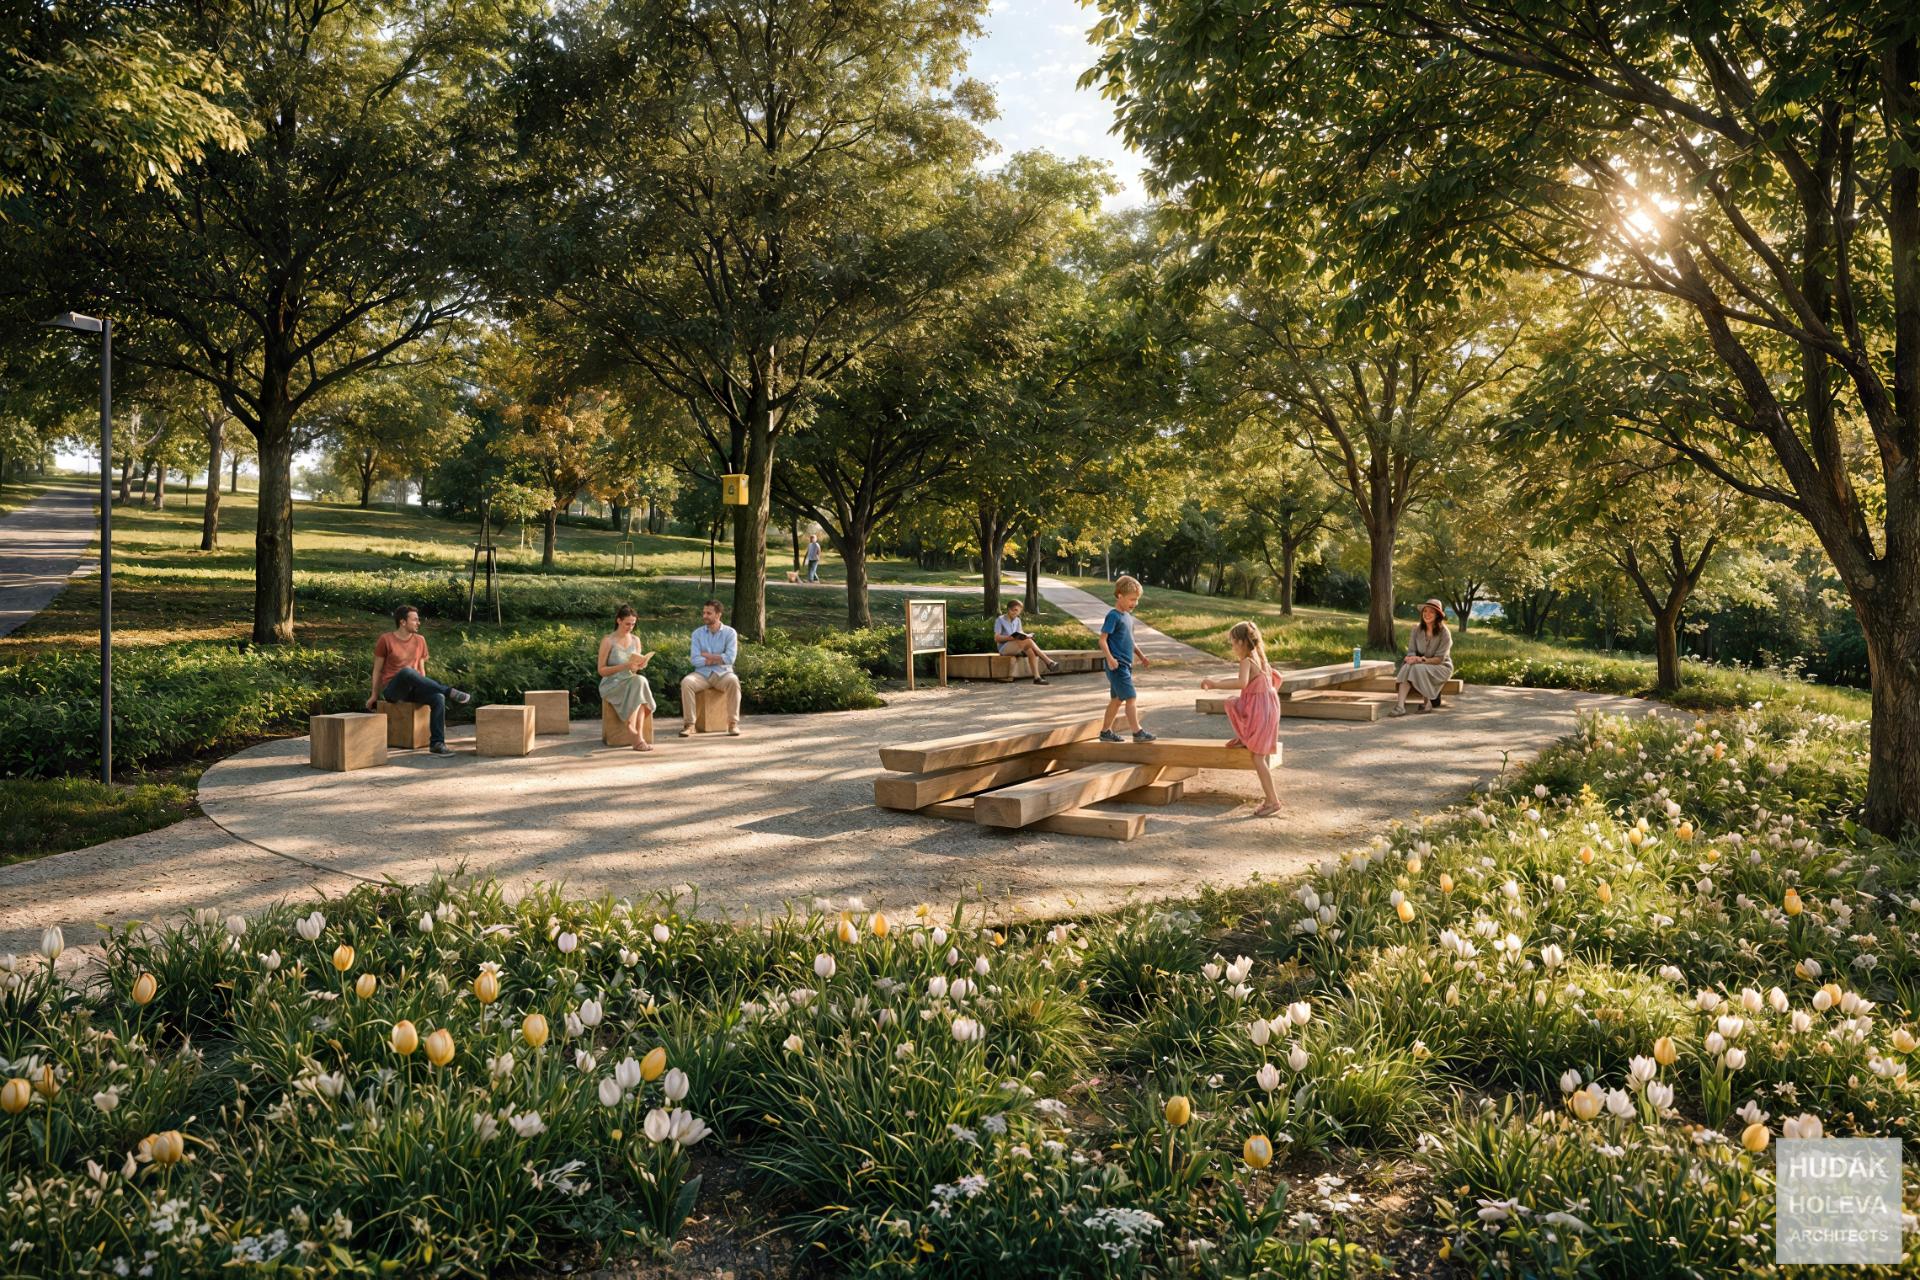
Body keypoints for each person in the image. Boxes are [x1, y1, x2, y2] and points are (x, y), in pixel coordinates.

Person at [365, 604, 471, 755]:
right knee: (407, 672)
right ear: (402, 622)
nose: (418, 623)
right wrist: (374, 695)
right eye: (414, 620)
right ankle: (449, 691)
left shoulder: (420, 640)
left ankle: (437, 743)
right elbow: (377, 670)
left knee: (438, 697)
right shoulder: (386, 640)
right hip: (394, 690)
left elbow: (421, 670)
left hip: (414, 689)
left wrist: (427, 688)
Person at [1201, 621, 1282, 817]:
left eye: (1232, 643)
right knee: (1235, 704)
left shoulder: (1247, 661)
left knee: (1257, 758)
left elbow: (1242, 682)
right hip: (1270, 708)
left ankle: (1273, 801)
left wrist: (1215, 684)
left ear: (1241, 642)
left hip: (1260, 711)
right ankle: (1246, 737)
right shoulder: (1262, 659)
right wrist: (1264, 697)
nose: (1232, 648)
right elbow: (1278, 678)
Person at [1097, 575, 1155, 743]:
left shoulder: (1128, 618)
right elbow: (1102, 640)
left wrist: (1141, 656)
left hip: (1126, 664)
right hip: (1117, 665)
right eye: (1132, 599)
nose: (1134, 603)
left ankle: (1105, 732)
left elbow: (1130, 641)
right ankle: (1137, 732)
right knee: (1131, 697)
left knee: (1116, 700)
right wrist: (1110, 659)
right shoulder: (1113, 616)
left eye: (1137, 600)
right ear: (1120, 596)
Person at [597, 604, 656, 752]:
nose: (630, 627)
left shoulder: (636, 640)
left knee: (640, 681)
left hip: (630, 681)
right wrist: (625, 666)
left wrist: (639, 666)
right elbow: (601, 671)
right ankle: (634, 733)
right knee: (640, 684)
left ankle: (637, 734)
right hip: (611, 683)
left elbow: (634, 670)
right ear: (618, 621)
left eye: (633, 624)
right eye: (627, 623)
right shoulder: (608, 641)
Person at [679, 598, 742, 737]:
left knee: (733, 681)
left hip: (723, 674)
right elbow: (695, 660)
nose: (705, 616)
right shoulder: (697, 634)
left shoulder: (730, 633)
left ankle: (733, 724)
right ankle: (690, 725)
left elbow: (730, 658)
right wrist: (718, 657)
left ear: (718, 615)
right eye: (704, 613)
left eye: (709, 613)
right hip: (702, 675)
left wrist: (707, 656)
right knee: (686, 682)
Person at [1389, 598, 1455, 716]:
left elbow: (1440, 659)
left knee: (1417, 668)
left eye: (1431, 612)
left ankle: (1428, 702)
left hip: (1441, 666)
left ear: (1438, 615)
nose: (1427, 614)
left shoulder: (1445, 633)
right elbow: (1411, 651)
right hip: (1421, 664)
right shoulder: (1416, 629)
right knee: (1407, 666)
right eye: (1425, 611)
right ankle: (1400, 706)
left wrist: (1421, 660)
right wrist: (1411, 658)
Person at [994, 600, 1061, 684]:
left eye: (1018, 611)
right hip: (1004, 649)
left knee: (1030, 650)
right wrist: (1011, 637)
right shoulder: (1000, 620)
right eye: (1014, 610)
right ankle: (1048, 662)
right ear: (1009, 609)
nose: (1016, 613)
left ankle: (1037, 677)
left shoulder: (1017, 620)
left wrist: (1027, 635)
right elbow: (997, 638)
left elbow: (1020, 633)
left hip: (1017, 646)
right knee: (1027, 641)